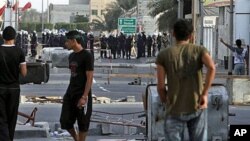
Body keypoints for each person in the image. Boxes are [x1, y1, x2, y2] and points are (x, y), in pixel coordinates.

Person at [155, 19, 215, 141]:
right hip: (196, 105)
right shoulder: (199, 50)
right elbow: (212, 67)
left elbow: (161, 87)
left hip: (174, 109)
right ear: (191, 35)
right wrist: (204, 94)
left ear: (173, 34)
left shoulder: (164, 55)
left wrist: (166, 101)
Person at [60, 30, 94, 141]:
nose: (66, 43)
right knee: (65, 120)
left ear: (74, 41)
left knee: (82, 123)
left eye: (68, 41)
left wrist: (84, 97)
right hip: (71, 92)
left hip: (82, 93)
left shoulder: (87, 56)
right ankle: (76, 138)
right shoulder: (71, 56)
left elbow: (89, 77)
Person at [0, 26, 27, 141]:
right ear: (14, 37)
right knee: (12, 117)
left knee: (1, 117)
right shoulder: (19, 51)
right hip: (14, 88)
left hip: (0, 88)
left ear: (3, 37)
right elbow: (24, 72)